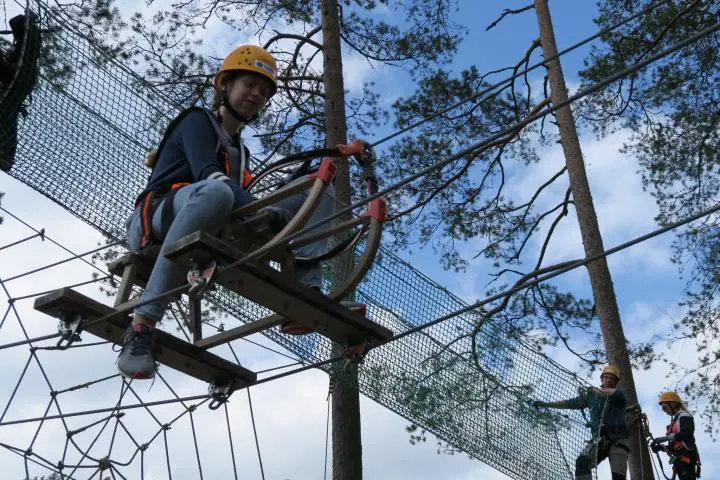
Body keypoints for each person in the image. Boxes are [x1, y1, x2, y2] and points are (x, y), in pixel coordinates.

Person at [118, 45, 335, 379]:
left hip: (216, 221)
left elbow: (237, 196)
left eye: (264, 91)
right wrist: (256, 208)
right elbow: (208, 175)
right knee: (218, 191)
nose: (257, 94)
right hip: (156, 219)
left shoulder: (239, 152)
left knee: (316, 188)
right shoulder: (196, 122)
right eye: (250, 84)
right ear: (225, 84)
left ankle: (307, 291)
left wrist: (281, 206)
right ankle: (141, 326)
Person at [533, 365, 630, 480]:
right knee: (582, 462)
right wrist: (548, 404)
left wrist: (594, 390)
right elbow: (570, 403)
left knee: (618, 477)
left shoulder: (619, 396)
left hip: (618, 440)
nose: (608, 380)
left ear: (616, 382)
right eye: (606, 377)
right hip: (600, 439)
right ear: (601, 379)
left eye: (612, 378)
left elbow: (607, 393)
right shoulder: (591, 397)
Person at [650, 392, 700, 480]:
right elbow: (672, 447)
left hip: (686, 459)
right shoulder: (674, 421)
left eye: (665, 408)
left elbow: (686, 434)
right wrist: (660, 447)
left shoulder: (684, 416)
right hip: (680, 460)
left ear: (673, 404)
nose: (664, 411)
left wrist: (665, 438)